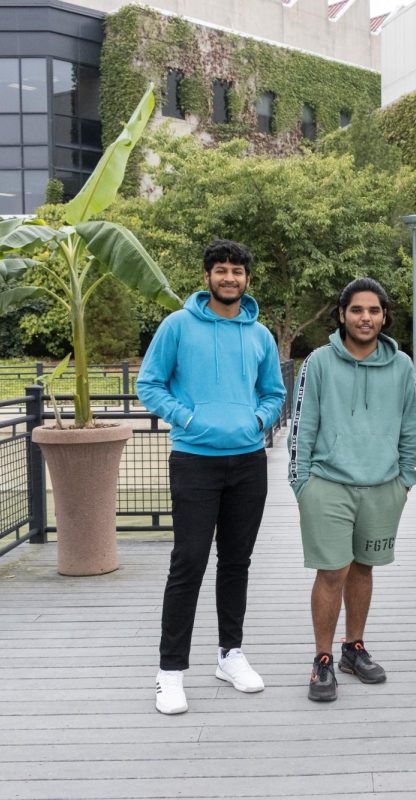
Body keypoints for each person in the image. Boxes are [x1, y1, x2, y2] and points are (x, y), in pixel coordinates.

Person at [137, 239, 287, 715]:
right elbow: (149, 383)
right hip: (194, 459)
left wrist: (257, 422)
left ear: (247, 279)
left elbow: (273, 392)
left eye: (237, 271)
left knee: (236, 563)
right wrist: (188, 419)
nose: (229, 278)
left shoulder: (260, 335)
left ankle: (230, 654)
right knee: (189, 563)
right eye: (220, 270)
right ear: (207, 277)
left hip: (247, 462)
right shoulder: (178, 326)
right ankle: (170, 673)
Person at [287, 277, 416, 703]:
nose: (366, 317)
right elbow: (302, 426)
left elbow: (408, 428)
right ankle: (322, 659)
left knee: (364, 568)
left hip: (383, 487)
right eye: (357, 310)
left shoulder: (401, 366)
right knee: (332, 572)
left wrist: (405, 480)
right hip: (327, 484)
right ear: (342, 315)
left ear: (384, 316)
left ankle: (353, 648)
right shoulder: (319, 362)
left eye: (374, 310)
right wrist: (301, 484)